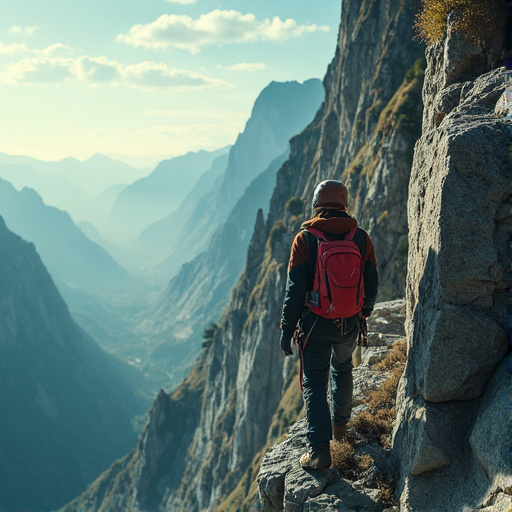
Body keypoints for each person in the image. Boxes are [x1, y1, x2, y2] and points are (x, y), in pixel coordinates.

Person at [279, 179, 378, 470]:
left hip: (316, 324)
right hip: (349, 323)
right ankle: (340, 430)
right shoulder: (360, 237)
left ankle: (320, 452)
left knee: (314, 383)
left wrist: (287, 329)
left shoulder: (305, 239)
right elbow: (371, 280)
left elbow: (295, 289)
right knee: (343, 369)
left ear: (317, 203)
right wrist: (364, 314)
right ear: (343, 203)